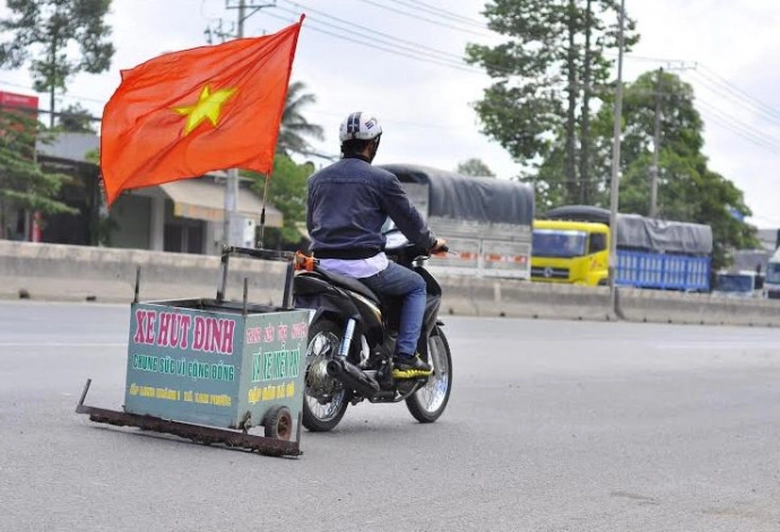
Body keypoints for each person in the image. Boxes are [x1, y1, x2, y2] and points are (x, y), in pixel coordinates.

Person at [306, 111, 447, 379]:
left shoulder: (317, 180)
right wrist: (431, 243)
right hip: (364, 266)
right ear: (372, 144)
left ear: (343, 143)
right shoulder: (382, 180)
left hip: (322, 265)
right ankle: (405, 357)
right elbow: (410, 222)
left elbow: (312, 226)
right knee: (417, 285)